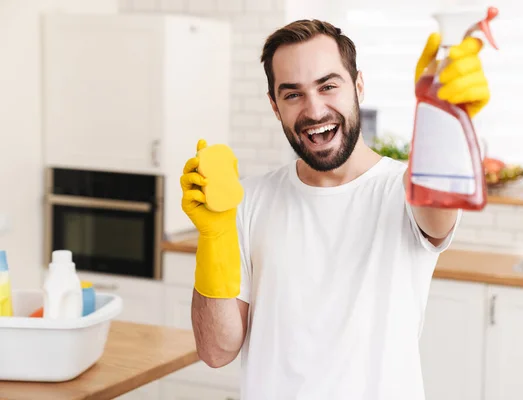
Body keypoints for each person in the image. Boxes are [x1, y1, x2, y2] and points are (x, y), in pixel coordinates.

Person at [180, 19, 490, 400]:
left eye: (328, 86)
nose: (314, 109)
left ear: (358, 86)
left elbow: (439, 206)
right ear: (274, 106)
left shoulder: (405, 191)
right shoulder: (248, 201)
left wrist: (441, 112)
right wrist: (214, 236)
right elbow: (215, 351)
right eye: (293, 95)